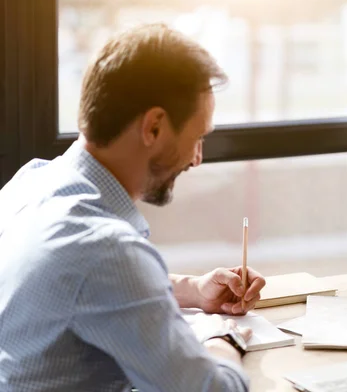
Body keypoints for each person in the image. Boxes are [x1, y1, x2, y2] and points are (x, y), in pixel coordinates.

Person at [0, 24, 266, 391]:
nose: (197, 159)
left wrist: (191, 289)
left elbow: (85, 289)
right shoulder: (106, 251)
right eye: (197, 137)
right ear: (154, 127)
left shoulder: (30, 183)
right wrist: (224, 340)